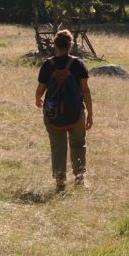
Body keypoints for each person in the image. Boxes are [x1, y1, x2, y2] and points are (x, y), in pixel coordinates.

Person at [35, 28, 93, 192]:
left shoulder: (47, 65)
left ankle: (60, 182)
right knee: (79, 144)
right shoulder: (78, 64)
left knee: (58, 146)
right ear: (70, 44)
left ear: (55, 45)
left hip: (52, 115)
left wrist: (37, 99)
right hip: (76, 112)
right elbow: (85, 90)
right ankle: (80, 179)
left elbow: (40, 90)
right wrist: (90, 114)